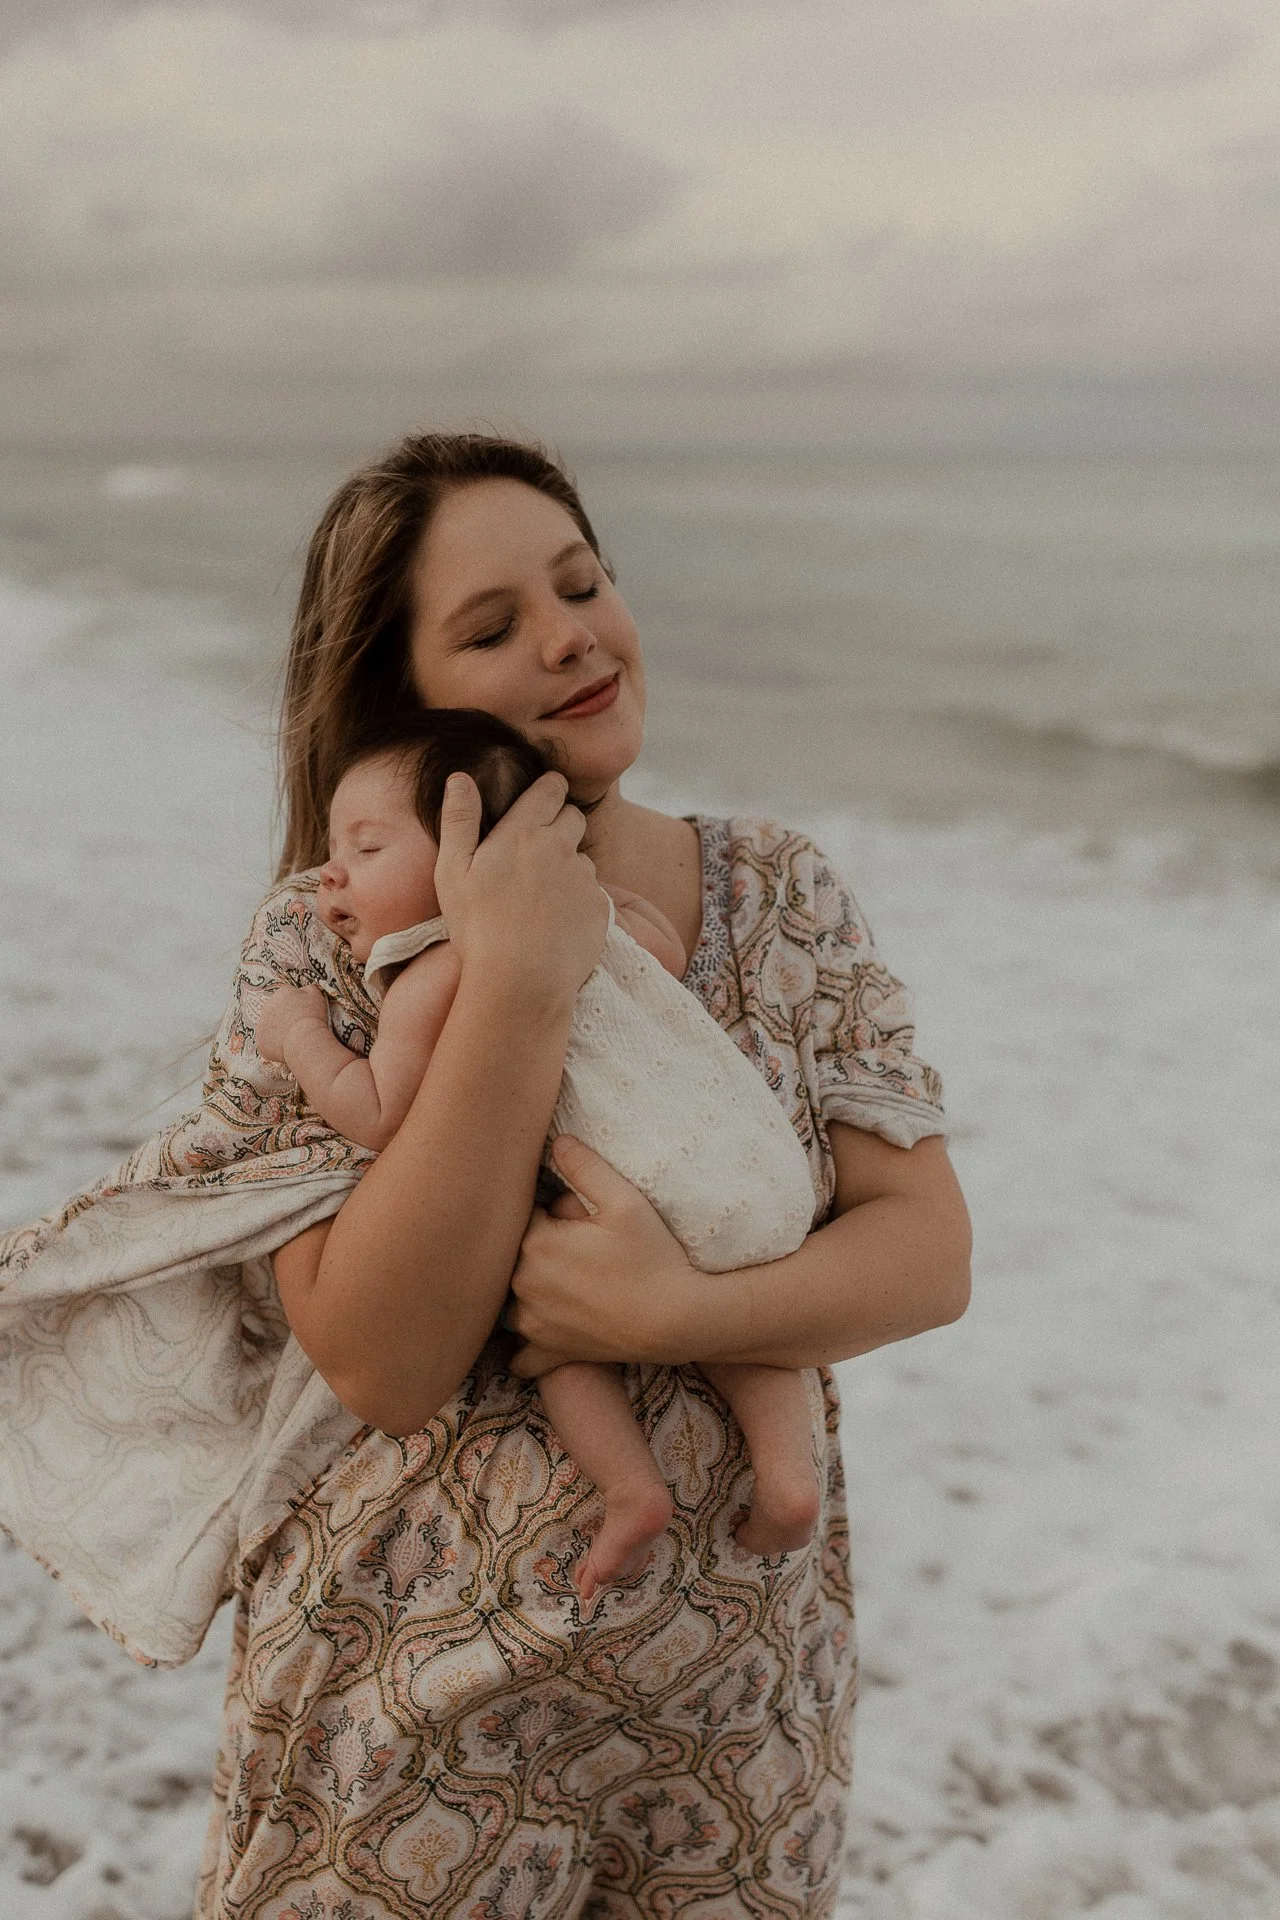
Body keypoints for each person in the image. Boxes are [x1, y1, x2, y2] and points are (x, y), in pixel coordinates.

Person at [195, 431, 971, 1920]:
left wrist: (662, 1311)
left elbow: (928, 1254)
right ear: (399, 703)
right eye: (491, 628)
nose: (570, 637)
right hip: (415, 1716)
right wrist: (523, 982)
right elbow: (383, 1359)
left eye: (582, 582)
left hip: (739, 1726)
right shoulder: (327, 942)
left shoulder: (778, 888)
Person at [255, 706, 824, 1607]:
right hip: (745, 1169)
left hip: (618, 1196)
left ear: (467, 855)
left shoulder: (435, 966)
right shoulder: (597, 910)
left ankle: (632, 1488)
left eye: (366, 850)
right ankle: (791, 1478)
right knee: (748, 1319)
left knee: (550, 1338)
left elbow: (375, 1111)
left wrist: (299, 1038)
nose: (332, 872)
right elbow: (664, 962)